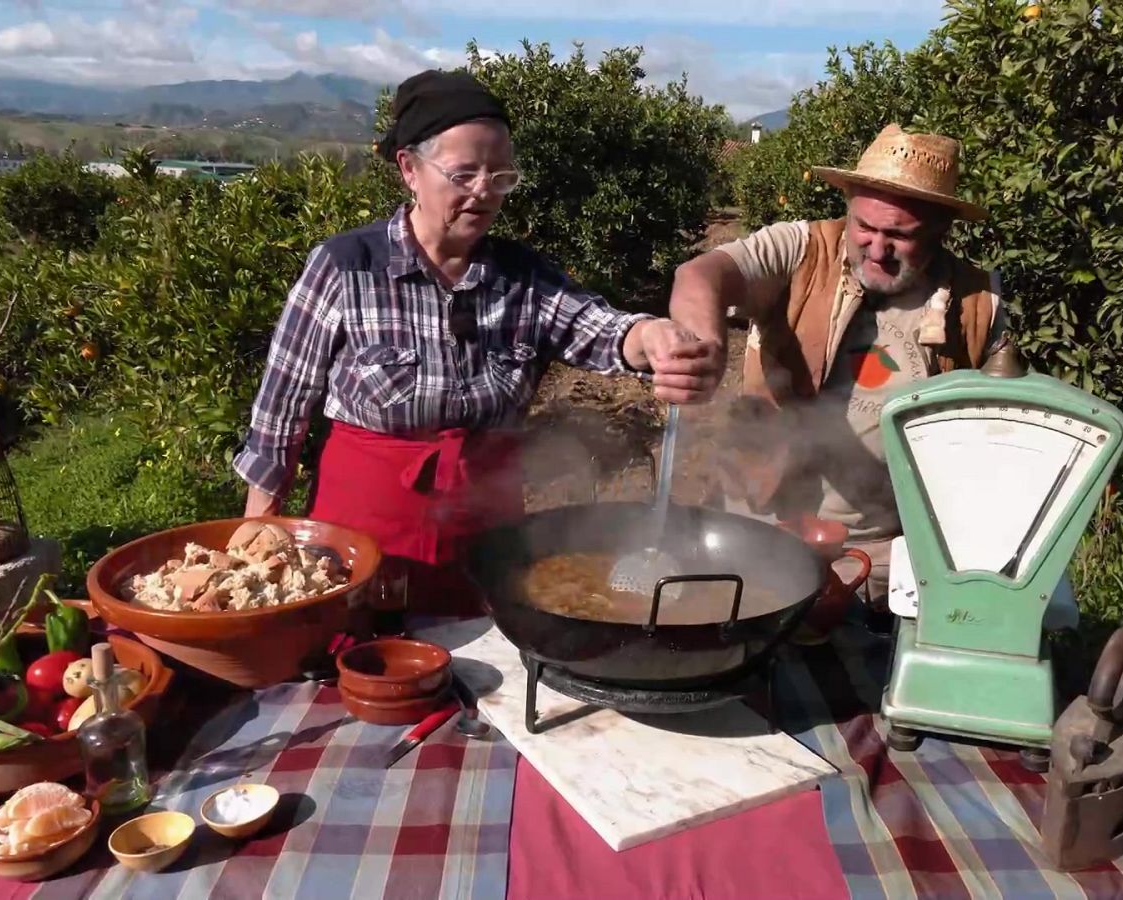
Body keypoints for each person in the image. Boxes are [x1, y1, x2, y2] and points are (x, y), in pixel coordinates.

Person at [233, 69, 720, 620]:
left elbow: (600, 328)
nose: (484, 192)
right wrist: (259, 531)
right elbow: (281, 407)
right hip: (365, 531)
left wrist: (651, 336)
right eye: (464, 174)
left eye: (500, 176)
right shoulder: (347, 267)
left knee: (487, 667)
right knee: (364, 668)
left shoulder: (524, 277)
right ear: (410, 169)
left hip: (487, 530)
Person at [668, 123, 1008, 604]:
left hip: (877, 555)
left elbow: (994, 436)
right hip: (758, 533)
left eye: (899, 235)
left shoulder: (977, 305)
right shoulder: (801, 252)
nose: (876, 247)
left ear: (940, 229)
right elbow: (699, 275)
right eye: (864, 226)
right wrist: (704, 343)